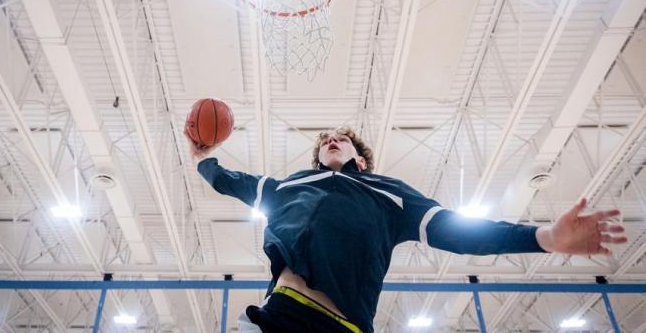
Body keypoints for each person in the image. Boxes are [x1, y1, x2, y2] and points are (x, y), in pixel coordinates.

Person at [185, 126, 627, 333]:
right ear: (318, 156)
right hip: (275, 316)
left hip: (341, 326)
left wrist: (542, 238)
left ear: (360, 155)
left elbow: (458, 230)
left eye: (341, 138)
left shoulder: (390, 193)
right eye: (325, 141)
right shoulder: (289, 185)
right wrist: (200, 155)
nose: (331, 140)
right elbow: (228, 180)